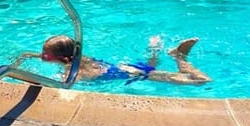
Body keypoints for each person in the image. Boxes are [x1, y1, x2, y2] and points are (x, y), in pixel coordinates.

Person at [15, 34, 211, 85]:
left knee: (200, 81)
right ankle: (157, 50)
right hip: (123, 68)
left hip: (132, 74)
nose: (42, 57)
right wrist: (27, 55)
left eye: (45, 55)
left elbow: (60, 86)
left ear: (64, 59)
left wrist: (21, 75)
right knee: (151, 65)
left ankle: (180, 57)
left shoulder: (72, 72)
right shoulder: (80, 59)